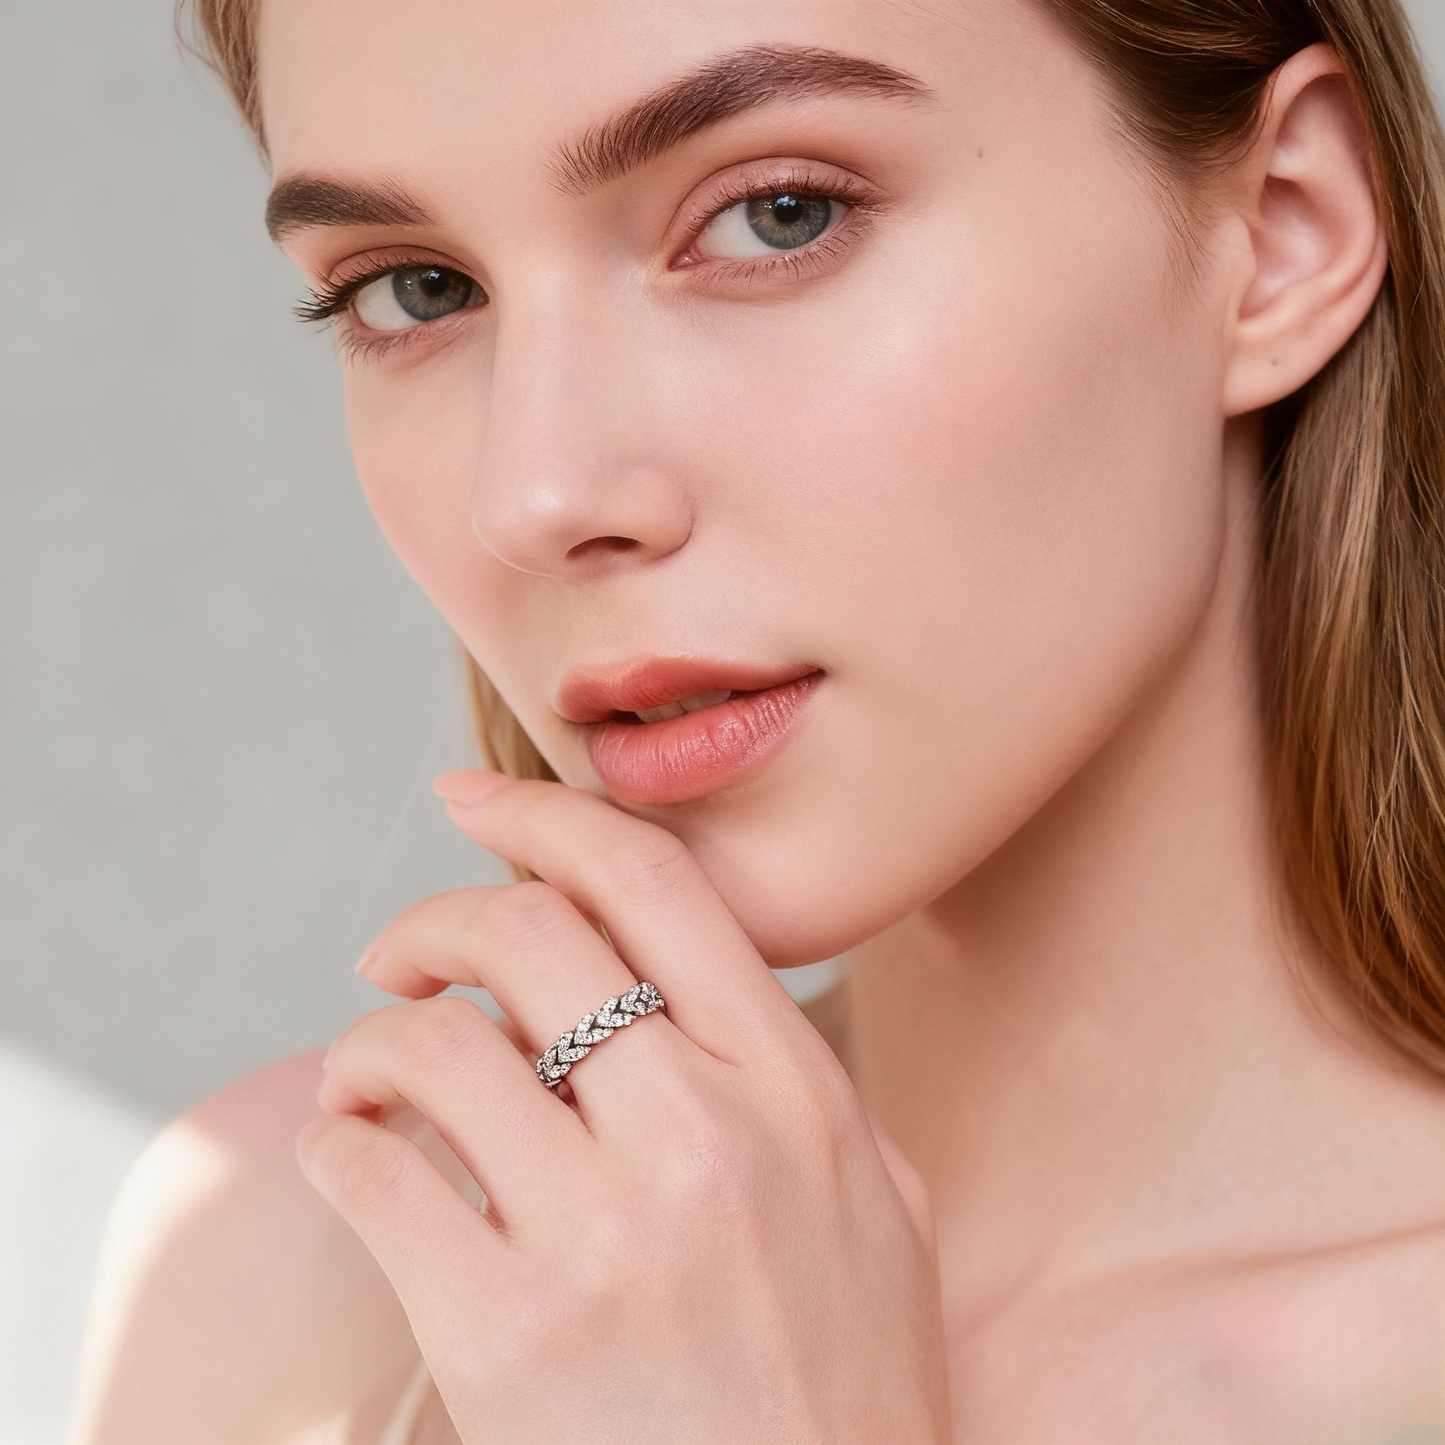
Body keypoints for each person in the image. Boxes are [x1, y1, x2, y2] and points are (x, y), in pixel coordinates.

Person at [69, 0, 1445, 1438]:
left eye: (776, 216)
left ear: (1284, 233)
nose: (539, 495)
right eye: (414, 290)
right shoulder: (306, 1276)